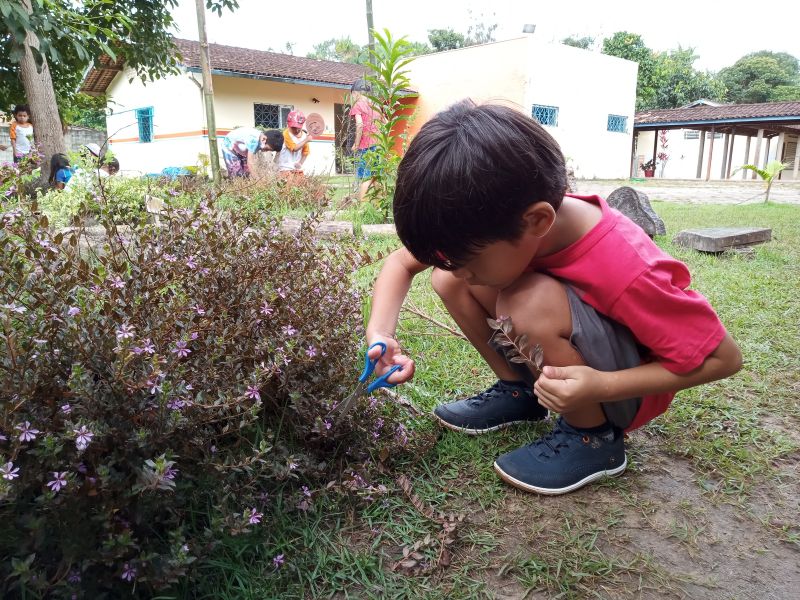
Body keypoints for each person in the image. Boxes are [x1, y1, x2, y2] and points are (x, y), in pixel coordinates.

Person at [364, 100, 742, 495]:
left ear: (537, 220)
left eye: (470, 260)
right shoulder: (507, 221)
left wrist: (600, 386)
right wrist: (381, 335)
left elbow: (724, 358)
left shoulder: (627, 265)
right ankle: (520, 391)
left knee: (526, 303)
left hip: (620, 387)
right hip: (578, 365)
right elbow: (401, 263)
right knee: (449, 279)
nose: (462, 270)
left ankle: (592, 437)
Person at [348, 79, 381, 202]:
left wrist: (356, 144)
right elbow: (386, 122)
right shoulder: (376, 106)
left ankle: (362, 208)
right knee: (376, 177)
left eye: (352, 95)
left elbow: (359, 124)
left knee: (365, 177)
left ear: (355, 93)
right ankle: (380, 208)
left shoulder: (358, 105)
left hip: (366, 147)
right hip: (378, 146)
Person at [276, 111, 313, 177]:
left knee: (301, 182)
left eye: (299, 128)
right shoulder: (286, 134)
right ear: (288, 125)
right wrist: (306, 140)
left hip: (296, 169)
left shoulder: (304, 136)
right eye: (293, 128)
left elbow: (305, 152)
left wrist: (300, 163)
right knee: (285, 182)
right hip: (284, 167)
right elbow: (294, 148)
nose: (296, 130)